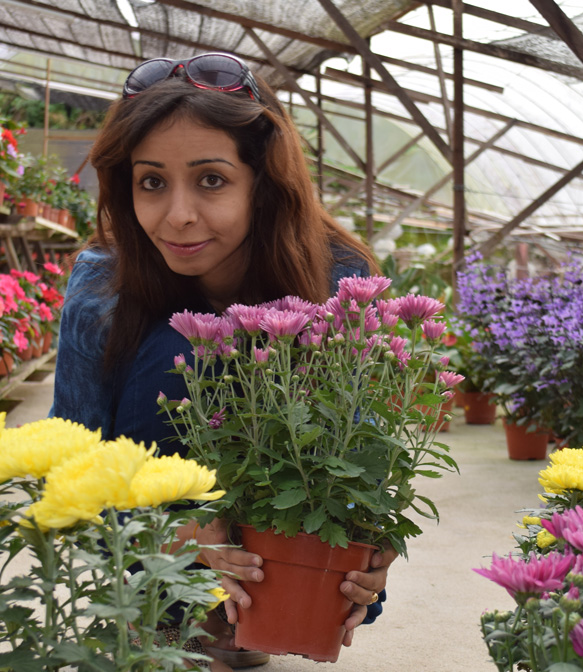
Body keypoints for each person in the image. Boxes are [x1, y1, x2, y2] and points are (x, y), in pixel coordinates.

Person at [49, 53, 394, 669]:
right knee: (179, 355)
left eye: (211, 180)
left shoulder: (338, 275)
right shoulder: (105, 284)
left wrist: (370, 546)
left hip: (285, 541)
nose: (178, 215)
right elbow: (71, 462)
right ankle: (181, 610)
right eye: (152, 182)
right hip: (152, 541)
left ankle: (273, 605)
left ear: (262, 182)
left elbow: (362, 449)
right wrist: (173, 535)